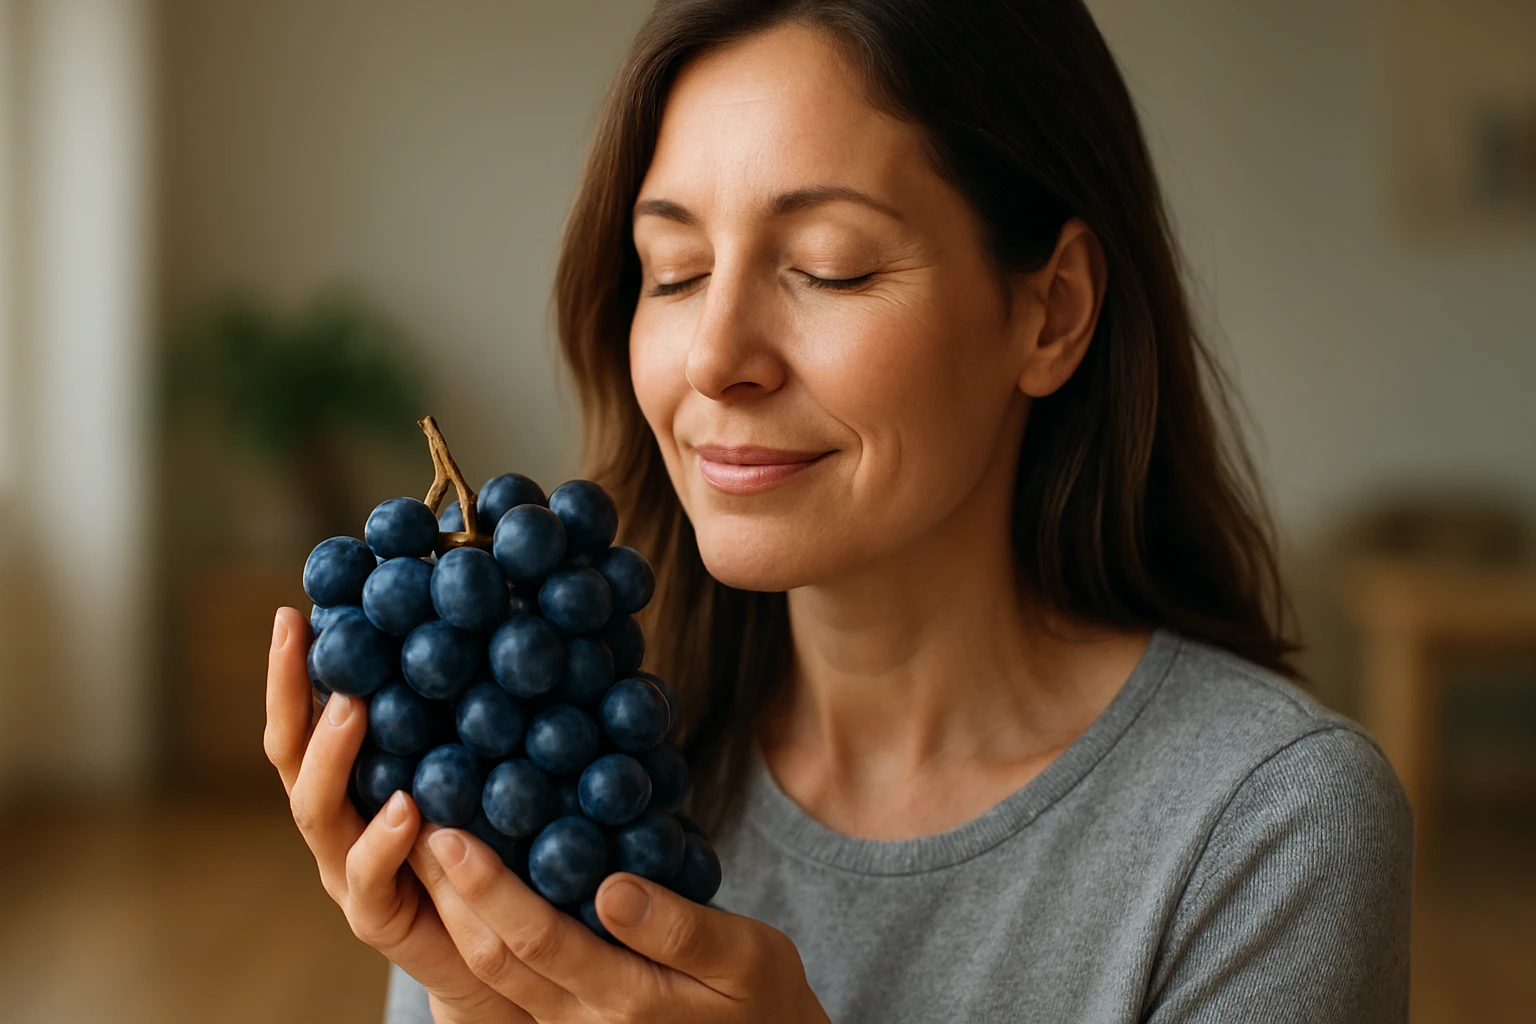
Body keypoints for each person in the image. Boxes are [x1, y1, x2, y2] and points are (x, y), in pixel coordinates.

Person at [263, 2, 1414, 1021]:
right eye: (672, 271)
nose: (715, 358)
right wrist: (475, 1004)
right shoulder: (544, 756)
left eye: (830, 265)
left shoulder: (1269, 824)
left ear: (1052, 312)